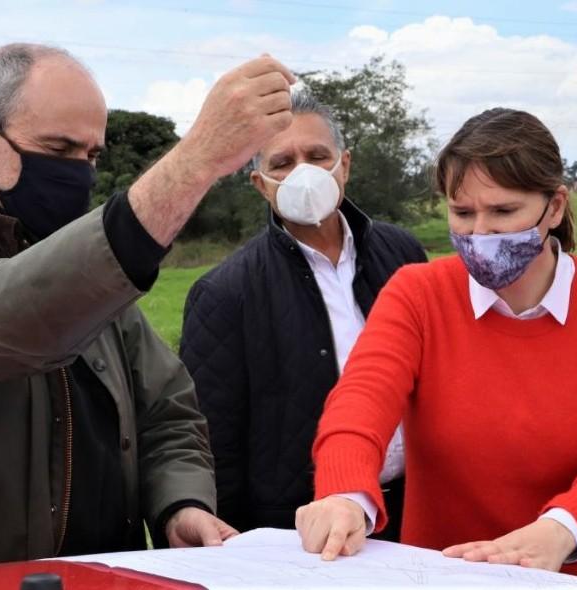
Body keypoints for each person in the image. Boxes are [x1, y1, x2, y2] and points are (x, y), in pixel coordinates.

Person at [0, 42, 296, 568]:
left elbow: (167, 412)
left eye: (91, 155)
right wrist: (197, 158)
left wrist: (178, 503)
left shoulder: (89, 274)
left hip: (106, 574)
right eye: (59, 148)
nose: (80, 173)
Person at [293, 108, 577, 584]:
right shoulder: (418, 293)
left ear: (553, 207)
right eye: (462, 213)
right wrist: (345, 495)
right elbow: (361, 403)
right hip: (447, 572)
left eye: (504, 211)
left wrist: (558, 530)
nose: (479, 233)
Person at [179, 91, 426, 540]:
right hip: (303, 531)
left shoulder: (402, 254)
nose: (303, 173)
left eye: (317, 156)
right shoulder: (225, 292)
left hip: (413, 511)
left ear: (344, 165)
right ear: (260, 183)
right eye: (282, 163)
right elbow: (216, 447)